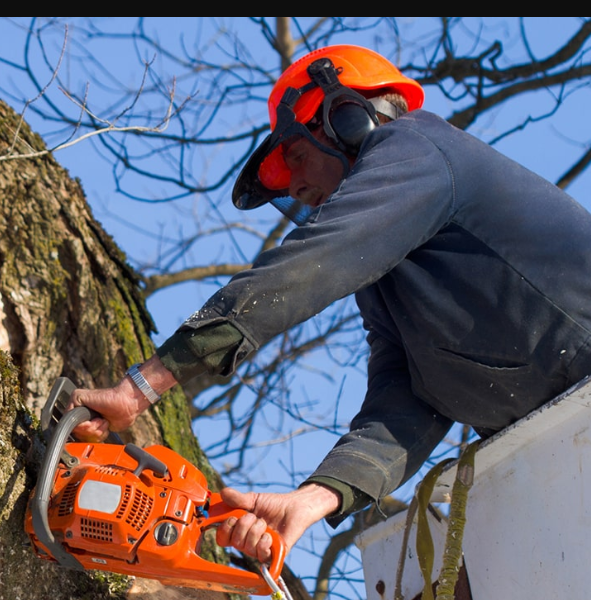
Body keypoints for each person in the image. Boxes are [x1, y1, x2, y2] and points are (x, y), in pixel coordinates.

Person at [70, 44, 591, 562]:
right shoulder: (388, 280)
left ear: (348, 119)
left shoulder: (418, 147)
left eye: (295, 156)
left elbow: (310, 265)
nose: (295, 186)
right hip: (565, 449)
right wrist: (313, 499)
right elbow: (407, 402)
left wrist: (142, 386)